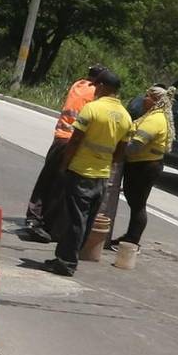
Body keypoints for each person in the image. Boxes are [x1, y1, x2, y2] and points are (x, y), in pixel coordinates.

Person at [45, 70, 132, 276]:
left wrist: (64, 165)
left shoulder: (92, 109)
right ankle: (67, 257)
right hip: (102, 176)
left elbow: (75, 140)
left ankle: (66, 262)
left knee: (75, 219)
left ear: (101, 86)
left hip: (81, 171)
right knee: (86, 219)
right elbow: (121, 153)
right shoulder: (126, 117)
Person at [23, 64, 107, 243]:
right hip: (71, 141)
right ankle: (45, 224)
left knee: (46, 180)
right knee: (60, 184)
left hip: (59, 138)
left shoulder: (78, 85)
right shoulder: (94, 95)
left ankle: (34, 218)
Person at [110, 85, 176, 252]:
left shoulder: (155, 120)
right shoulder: (152, 115)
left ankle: (132, 241)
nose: (143, 98)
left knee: (138, 204)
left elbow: (135, 146)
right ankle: (130, 238)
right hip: (142, 164)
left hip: (145, 166)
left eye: (147, 96)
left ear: (155, 100)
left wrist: (117, 152)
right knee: (135, 202)